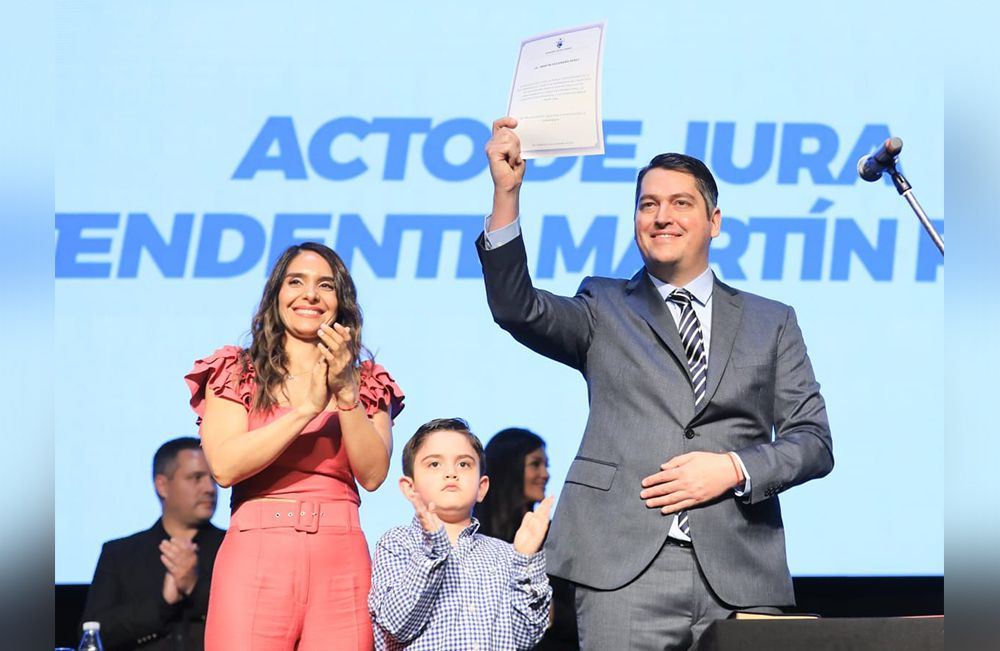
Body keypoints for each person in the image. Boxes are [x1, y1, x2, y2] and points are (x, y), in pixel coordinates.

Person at [477, 117, 834, 650]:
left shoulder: (771, 321)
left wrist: (733, 467)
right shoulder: (602, 306)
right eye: (648, 205)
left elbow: (813, 442)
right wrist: (506, 194)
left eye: (680, 203)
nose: (662, 216)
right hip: (623, 569)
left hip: (740, 569)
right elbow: (516, 307)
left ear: (714, 221)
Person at [184, 241, 404, 651]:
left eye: (326, 285)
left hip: (341, 558)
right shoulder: (236, 370)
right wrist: (305, 410)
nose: (310, 295)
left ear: (341, 300)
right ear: (276, 294)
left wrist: (346, 394)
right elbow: (225, 467)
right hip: (256, 554)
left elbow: (374, 474)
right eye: (296, 282)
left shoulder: (368, 380)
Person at [368, 418, 553, 651]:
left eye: (464, 464)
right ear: (410, 487)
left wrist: (525, 558)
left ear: (482, 487)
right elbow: (397, 625)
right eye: (435, 464)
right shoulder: (397, 543)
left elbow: (526, 637)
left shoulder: (505, 554)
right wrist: (434, 547)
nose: (451, 473)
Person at [81, 437, 224, 651]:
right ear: (162, 486)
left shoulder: (232, 546)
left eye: (212, 478)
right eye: (196, 478)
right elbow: (93, 635)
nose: (210, 488)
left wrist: (194, 587)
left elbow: (254, 619)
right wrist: (162, 603)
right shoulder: (120, 554)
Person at [475, 428, 579, 651]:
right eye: (535, 464)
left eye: (546, 465)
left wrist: (545, 610)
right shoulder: (473, 536)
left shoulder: (555, 535)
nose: (545, 474)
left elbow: (579, 616)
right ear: (508, 468)